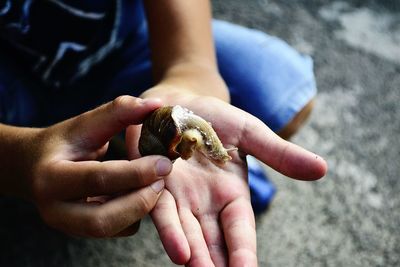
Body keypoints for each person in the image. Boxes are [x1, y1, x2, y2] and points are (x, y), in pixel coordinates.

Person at [0, 1, 327, 266]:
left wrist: (184, 85)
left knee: (283, 89)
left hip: (122, 48)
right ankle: (105, 143)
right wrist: (17, 161)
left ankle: (118, 141)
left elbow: (192, 62)